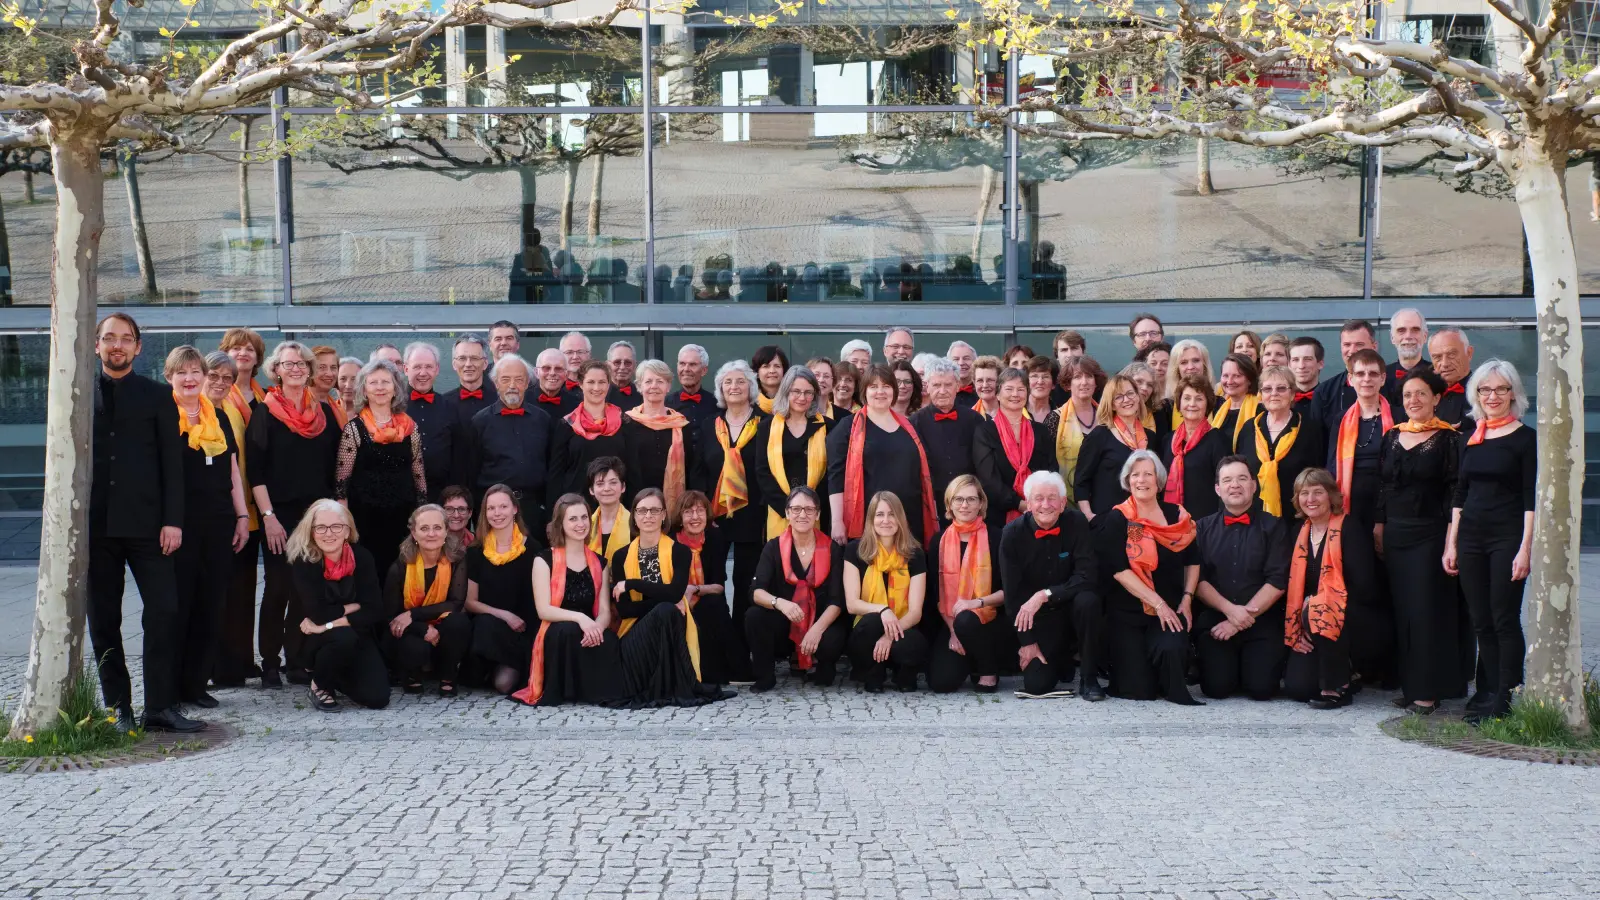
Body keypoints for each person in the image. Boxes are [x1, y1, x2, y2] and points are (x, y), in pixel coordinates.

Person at [1446, 359, 1536, 723]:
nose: (1493, 396)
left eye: (1500, 389)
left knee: (1503, 619)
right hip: (1471, 538)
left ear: (1513, 393)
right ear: (1476, 395)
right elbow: (1460, 493)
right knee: (1480, 619)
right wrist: (1452, 543)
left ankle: (1507, 696)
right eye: (1485, 390)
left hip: (1508, 537)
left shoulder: (1526, 438)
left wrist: (1525, 548)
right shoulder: (1474, 436)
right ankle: (1484, 693)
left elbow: (1531, 497)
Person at [249, 340, 342, 689]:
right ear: (275, 370)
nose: (296, 369)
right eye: (288, 364)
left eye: (302, 364)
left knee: (307, 590)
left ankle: (298, 660)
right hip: (280, 516)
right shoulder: (265, 412)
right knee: (278, 589)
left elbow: (336, 467)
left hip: (317, 517)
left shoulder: (325, 413)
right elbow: (255, 473)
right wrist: (268, 516)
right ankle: (270, 663)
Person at [166, 346, 250, 711]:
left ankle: (197, 684)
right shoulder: (164, 415)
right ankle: (172, 686)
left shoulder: (217, 415)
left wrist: (243, 516)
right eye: (182, 372)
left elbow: (232, 469)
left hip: (219, 521)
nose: (190, 379)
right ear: (171, 376)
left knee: (211, 603)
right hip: (180, 524)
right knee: (178, 605)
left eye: (195, 372)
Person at [1378, 368, 1464, 714]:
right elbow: (1383, 488)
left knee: (1427, 611)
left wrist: (1450, 541)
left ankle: (1429, 691)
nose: (1413, 401)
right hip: (1396, 533)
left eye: (1421, 394)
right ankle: (1412, 686)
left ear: (1437, 399)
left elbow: (1454, 494)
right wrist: (1379, 526)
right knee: (1404, 612)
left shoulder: (1449, 440)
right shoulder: (1392, 437)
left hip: (1430, 534)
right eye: (1408, 395)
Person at [1093, 450, 1203, 705]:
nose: (1141, 480)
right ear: (1127, 480)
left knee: (1172, 650)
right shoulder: (1120, 517)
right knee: (1139, 691)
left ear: (1159, 481)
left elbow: (1193, 561)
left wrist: (1187, 599)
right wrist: (1158, 604)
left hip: (1171, 606)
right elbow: (1120, 570)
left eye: (1147, 474)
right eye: (1135, 475)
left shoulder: (1177, 515)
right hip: (1129, 613)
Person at [608, 489, 730, 706]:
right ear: (634, 516)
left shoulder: (679, 552)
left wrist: (632, 584)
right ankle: (683, 682)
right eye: (642, 510)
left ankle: (681, 683)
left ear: (664, 515)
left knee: (667, 611)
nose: (648, 516)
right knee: (666, 609)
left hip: (669, 627)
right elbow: (626, 611)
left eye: (654, 510)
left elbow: (675, 593)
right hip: (634, 636)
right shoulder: (621, 557)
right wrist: (664, 600)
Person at [509, 493, 627, 707]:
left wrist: (597, 629)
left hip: (589, 628)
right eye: (572, 519)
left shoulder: (600, 563)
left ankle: (593, 692)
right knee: (567, 631)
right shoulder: (543, 560)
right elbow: (544, 610)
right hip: (557, 629)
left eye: (584, 518)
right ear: (560, 524)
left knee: (608, 640)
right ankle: (566, 691)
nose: (580, 524)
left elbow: (604, 611)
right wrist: (581, 618)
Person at [1000, 471, 1104, 700]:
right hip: (1041, 619)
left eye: (1052, 498)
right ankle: (1062, 660)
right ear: (1028, 503)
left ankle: (1089, 677)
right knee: (1037, 685)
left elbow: (1087, 576)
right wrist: (1027, 642)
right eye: (1038, 498)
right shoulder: (1012, 534)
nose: (1045, 505)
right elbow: (1013, 596)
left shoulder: (1076, 522)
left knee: (1089, 601)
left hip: (1073, 608)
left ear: (1063, 502)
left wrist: (1045, 594)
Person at [1282, 468, 1380, 709]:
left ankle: (1337, 687)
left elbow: (1365, 584)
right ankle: (1344, 671)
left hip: (1351, 614)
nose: (1311, 499)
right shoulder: (1298, 532)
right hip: (1310, 618)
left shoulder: (1349, 528)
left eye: (1318, 492)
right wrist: (1302, 619)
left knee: (1322, 607)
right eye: (1304, 493)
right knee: (1298, 688)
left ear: (1331, 496)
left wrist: (1317, 603)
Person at [1194, 457, 1288, 701]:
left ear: (1254, 485)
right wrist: (1229, 612)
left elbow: (1277, 580)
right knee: (1216, 689)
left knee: (1261, 690)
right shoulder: (1202, 528)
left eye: (1242, 478)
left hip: (1261, 621)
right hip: (1217, 622)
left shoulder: (1274, 526)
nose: (1234, 485)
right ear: (1217, 489)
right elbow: (1198, 579)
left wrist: (1239, 620)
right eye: (1227, 480)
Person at [697, 360, 765, 682]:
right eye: (728, 383)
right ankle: (715, 650)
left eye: (740, 382)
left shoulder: (765, 424)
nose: (734, 387)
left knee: (745, 584)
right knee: (715, 582)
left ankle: (741, 654)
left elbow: (767, 472)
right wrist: (701, 514)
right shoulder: (709, 424)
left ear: (751, 388)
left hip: (753, 517)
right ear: (721, 390)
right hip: (714, 518)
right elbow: (700, 471)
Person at [287, 500, 391, 711]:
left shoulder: (361, 557)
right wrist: (353, 607)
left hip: (354, 633)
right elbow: (317, 613)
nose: (329, 533)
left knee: (378, 698)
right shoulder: (304, 560)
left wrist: (328, 625)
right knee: (344, 638)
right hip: (311, 638)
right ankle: (319, 684)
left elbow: (375, 610)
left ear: (347, 531)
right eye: (321, 527)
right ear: (311, 531)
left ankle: (335, 674)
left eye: (336, 526)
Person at [747, 486, 850, 690]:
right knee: (754, 616)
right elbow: (756, 592)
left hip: (821, 622)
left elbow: (837, 601)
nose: (802, 515)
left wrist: (816, 630)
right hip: (786, 622)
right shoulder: (773, 547)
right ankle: (765, 676)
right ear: (787, 513)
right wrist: (780, 603)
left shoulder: (833, 549)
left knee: (830, 643)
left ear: (818, 514)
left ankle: (823, 664)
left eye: (809, 509)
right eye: (796, 509)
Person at [334, 358, 427, 580]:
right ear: (364, 390)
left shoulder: (410, 427)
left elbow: (418, 473)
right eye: (373, 382)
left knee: (401, 574)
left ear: (395, 388)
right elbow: (341, 483)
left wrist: (422, 513)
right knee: (371, 575)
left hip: (403, 516)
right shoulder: (354, 429)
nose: (380, 387)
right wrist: (345, 522)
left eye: (386, 382)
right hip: (365, 518)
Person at [828, 364, 940, 547]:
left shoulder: (910, 427)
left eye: (886, 386)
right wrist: (837, 521)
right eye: (873, 387)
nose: (880, 392)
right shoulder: (847, 428)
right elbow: (835, 478)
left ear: (894, 391)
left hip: (909, 521)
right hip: (870, 523)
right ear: (864, 391)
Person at [204, 351, 263, 689]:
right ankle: (211, 666)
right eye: (214, 376)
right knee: (215, 595)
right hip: (208, 517)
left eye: (227, 378)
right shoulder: (192, 411)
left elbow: (235, 465)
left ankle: (234, 664)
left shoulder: (230, 413)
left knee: (239, 594)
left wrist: (244, 513)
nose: (221, 383)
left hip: (238, 514)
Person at [926, 476, 1006, 694]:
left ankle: (988, 669)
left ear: (981, 502)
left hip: (990, 620)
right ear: (949, 504)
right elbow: (936, 595)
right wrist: (953, 631)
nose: (964, 505)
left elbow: (1009, 591)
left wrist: (975, 602)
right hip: (951, 621)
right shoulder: (938, 541)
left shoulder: (998, 537)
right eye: (958, 499)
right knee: (940, 683)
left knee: (968, 618)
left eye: (971, 499)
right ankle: (969, 661)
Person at [844, 492, 930, 692]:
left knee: (914, 644)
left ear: (900, 518)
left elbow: (915, 612)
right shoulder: (855, 550)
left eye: (891, 514)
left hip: (902, 630)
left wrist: (889, 636)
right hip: (867, 634)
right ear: (871, 519)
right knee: (874, 620)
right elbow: (852, 604)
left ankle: (904, 674)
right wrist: (883, 610)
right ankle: (873, 673)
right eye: (879, 514)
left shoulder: (914, 554)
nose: (886, 520)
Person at [383, 505, 471, 696]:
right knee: (415, 648)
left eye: (437, 528)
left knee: (459, 622)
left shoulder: (457, 558)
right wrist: (422, 628)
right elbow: (391, 615)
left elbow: (456, 603)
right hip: (409, 630)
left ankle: (448, 676)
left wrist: (414, 614)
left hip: (439, 622)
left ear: (447, 530)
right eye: (424, 528)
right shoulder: (400, 566)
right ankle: (411, 674)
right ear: (413, 533)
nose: (431, 534)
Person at [464, 484, 542, 695]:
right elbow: (470, 601)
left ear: (515, 509)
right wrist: (505, 615)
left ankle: (497, 667)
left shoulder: (533, 549)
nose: (497, 513)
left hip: (522, 632)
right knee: (484, 624)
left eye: (503, 507)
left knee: (503, 685)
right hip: (490, 627)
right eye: (491, 508)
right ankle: (482, 666)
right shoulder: (476, 552)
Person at [1237, 365, 1325, 519]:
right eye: (1267, 389)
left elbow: (1320, 476)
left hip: (1298, 518)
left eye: (1281, 389)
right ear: (1261, 395)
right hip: (1253, 520)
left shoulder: (1310, 429)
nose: (1274, 394)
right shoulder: (1249, 429)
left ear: (1292, 394)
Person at [673, 489, 741, 687]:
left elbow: (719, 586)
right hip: (676, 600)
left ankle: (720, 672)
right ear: (680, 516)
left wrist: (694, 589)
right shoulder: (670, 540)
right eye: (688, 512)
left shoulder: (715, 536)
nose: (695, 517)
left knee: (713, 604)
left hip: (702, 597)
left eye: (700, 511)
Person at [973, 367, 1056, 528]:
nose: (1015, 394)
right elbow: (988, 480)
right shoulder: (985, 431)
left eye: (1021, 389)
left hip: (1041, 513)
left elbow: (1051, 470)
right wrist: (1022, 505)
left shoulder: (1041, 431)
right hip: (998, 516)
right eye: (1009, 389)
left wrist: (1038, 503)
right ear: (997, 394)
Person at [755, 366, 830, 539]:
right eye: (796, 391)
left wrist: (811, 508)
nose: (802, 397)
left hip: (817, 512)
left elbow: (830, 474)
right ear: (785, 391)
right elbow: (762, 471)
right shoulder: (766, 427)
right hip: (779, 511)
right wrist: (788, 509)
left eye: (808, 392)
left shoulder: (828, 427)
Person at [910, 358, 982, 525]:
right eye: (936, 385)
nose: (942, 391)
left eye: (948, 385)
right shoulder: (914, 422)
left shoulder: (975, 420)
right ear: (927, 386)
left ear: (957, 386)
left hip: (968, 504)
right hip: (931, 504)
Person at [1326, 348, 1392, 526]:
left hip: (1390, 506)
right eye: (1360, 373)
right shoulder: (1340, 419)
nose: (1367, 379)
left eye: (1373, 373)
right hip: (1350, 507)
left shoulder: (1398, 417)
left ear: (1383, 379)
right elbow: (1332, 466)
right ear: (1351, 379)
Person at [1074, 372, 1154, 518]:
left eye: (1130, 393)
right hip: (1107, 520)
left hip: (1144, 520)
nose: (1126, 400)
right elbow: (1081, 482)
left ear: (1138, 397)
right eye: (1119, 397)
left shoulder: (1151, 438)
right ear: (1112, 404)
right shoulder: (1099, 436)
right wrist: (1089, 516)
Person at [622, 359, 696, 515]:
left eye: (660, 381)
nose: (654, 386)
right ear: (639, 386)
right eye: (648, 381)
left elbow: (691, 468)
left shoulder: (681, 424)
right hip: (635, 505)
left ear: (668, 386)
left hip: (674, 507)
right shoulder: (626, 422)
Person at [550, 359, 627, 501]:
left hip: (616, 507)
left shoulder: (624, 422)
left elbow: (632, 470)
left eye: (602, 382)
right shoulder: (567, 424)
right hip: (576, 509)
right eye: (591, 382)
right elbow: (556, 474)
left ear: (609, 385)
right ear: (580, 384)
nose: (597, 388)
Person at [1160, 373, 1229, 518]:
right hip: (1170, 522)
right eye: (1187, 398)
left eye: (1199, 399)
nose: (1192, 404)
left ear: (1207, 404)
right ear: (1179, 403)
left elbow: (1225, 486)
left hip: (1205, 523)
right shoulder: (1168, 440)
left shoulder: (1217, 440)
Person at [1042, 356, 1104, 505]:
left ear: (1096, 382)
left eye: (1089, 376)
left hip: (1104, 498)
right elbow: (1047, 466)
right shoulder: (1054, 419)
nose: (1084, 382)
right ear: (1068, 384)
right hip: (1067, 502)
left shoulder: (1108, 417)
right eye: (1077, 377)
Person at [1311, 319, 1384, 433]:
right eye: (1347, 345)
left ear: (1374, 347)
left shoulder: (1391, 386)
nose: (1352, 350)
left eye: (1359, 344)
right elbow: (1318, 442)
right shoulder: (1324, 392)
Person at [403, 342, 455, 503]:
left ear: (437, 369)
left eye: (429, 367)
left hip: (440, 495)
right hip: (403, 494)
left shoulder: (449, 406)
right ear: (406, 369)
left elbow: (457, 453)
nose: (423, 373)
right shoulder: (393, 406)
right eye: (417, 367)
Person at [584, 456, 634, 568]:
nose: (607, 488)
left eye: (613, 482)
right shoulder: (585, 525)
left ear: (623, 487)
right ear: (591, 490)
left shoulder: (635, 523)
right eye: (600, 484)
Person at [1160, 339, 1214, 432]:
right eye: (1184, 362)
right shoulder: (1165, 408)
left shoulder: (1220, 404)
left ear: (1205, 366)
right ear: (1177, 369)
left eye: (1196, 360)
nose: (1190, 367)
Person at [1426, 327, 1475, 427]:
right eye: (1437, 357)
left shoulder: (1486, 393)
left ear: (1469, 353)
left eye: (1452, 354)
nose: (1445, 363)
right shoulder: (1426, 393)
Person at [1212, 353, 1260, 451]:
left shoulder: (1260, 410)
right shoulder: (1218, 408)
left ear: (1250, 379)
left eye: (1237, 376)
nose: (1229, 381)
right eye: (1225, 375)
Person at [220, 327, 268, 421]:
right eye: (236, 348)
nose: (243, 353)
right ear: (225, 355)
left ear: (257, 359)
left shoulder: (267, 398)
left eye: (250, 349)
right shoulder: (216, 393)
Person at [449, 334, 498, 423]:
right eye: (462, 358)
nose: (468, 364)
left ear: (485, 363)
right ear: (454, 364)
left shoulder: (499, 401)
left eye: (474, 358)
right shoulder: (443, 404)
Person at [668, 343, 718, 427]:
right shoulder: (665, 405)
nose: (686, 369)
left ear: (704, 370)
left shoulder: (716, 404)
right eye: (682, 364)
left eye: (692, 364)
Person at [531, 347, 580, 417]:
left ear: (567, 375)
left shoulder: (576, 405)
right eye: (546, 368)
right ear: (536, 372)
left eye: (558, 369)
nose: (552, 373)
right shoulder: (523, 401)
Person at [1387, 308, 1429, 383]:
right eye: (1401, 330)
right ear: (1392, 337)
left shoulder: (1438, 375)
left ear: (1425, 336)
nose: (1408, 336)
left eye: (1415, 330)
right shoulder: (1379, 377)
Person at [1288, 337, 1325, 417]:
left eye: (1308, 359)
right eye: (1295, 360)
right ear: (1289, 365)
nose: (1301, 366)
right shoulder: (1281, 399)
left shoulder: (1331, 399)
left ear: (1320, 364)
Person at [606, 340, 642, 410]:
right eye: (617, 362)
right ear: (608, 365)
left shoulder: (643, 394)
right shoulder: (598, 394)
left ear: (635, 366)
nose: (622, 367)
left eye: (628, 362)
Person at [806, 356, 842, 423]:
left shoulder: (844, 417)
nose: (821, 380)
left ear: (833, 382)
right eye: (817, 375)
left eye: (826, 376)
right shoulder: (798, 414)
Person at [310, 345, 341, 418]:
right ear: (309, 370)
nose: (329, 373)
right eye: (322, 367)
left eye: (333, 367)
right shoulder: (298, 406)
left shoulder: (339, 411)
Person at [946, 340, 979, 408]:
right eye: (956, 359)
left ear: (975, 362)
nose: (961, 363)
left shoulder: (983, 390)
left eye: (966, 358)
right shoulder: (943, 391)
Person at [1024, 356, 1056, 422]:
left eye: (1045, 377)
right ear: (1026, 382)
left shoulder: (1062, 415)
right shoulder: (1015, 410)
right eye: (1034, 376)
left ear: (1053, 384)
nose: (1040, 382)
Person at [334, 358, 361, 423]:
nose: (348, 386)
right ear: (335, 383)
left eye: (354, 379)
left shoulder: (373, 414)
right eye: (343, 379)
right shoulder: (326, 413)